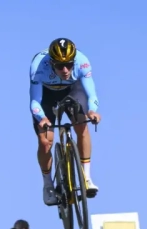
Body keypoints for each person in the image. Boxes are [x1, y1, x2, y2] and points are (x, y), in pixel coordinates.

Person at [29, 38, 101, 206]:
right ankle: (48, 185)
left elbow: (92, 94)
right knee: (45, 141)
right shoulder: (39, 66)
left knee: (82, 126)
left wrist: (92, 111)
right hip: (46, 95)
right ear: (51, 62)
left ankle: (87, 178)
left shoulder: (82, 62)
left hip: (72, 90)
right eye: (60, 66)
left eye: (69, 64)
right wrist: (43, 118)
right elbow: (34, 101)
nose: (65, 70)